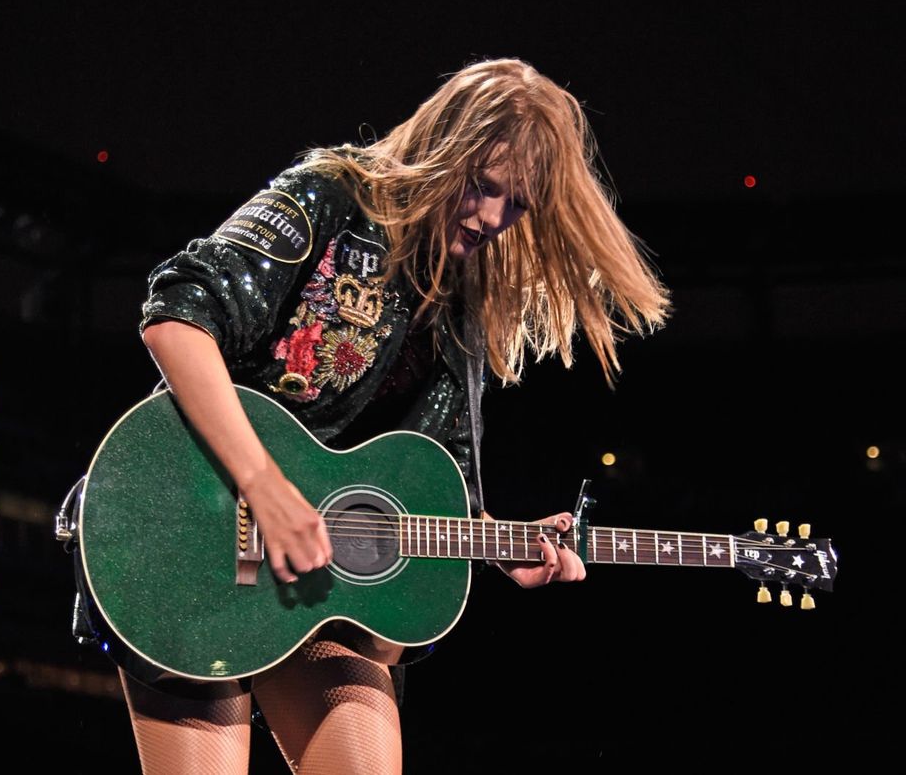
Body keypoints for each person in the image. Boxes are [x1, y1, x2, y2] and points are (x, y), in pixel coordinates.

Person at [119, 58, 670, 774]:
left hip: (323, 593)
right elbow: (176, 317)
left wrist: (497, 540)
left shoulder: (468, 297)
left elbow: (433, 480)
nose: (492, 218)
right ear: (442, 147)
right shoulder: (331, 193)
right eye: (482, 185)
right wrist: (266, 487)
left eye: (518, 204)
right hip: (191, 534)